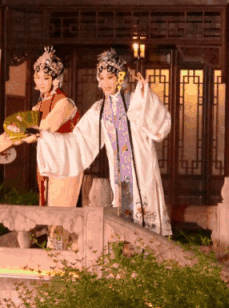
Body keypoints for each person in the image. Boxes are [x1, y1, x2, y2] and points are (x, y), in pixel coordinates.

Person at [35, 49, 172, 236]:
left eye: (110, 77)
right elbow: (78, 141)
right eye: (101, 78)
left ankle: (149, 247)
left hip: (142, 168)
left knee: (146, 211)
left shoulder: (135, 101)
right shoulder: (99, 110)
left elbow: (159, 126)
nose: (105, 83)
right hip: (118, 173)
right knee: (123, 210)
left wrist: (147, 95)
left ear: (120, 77)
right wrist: (46, 137)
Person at [0, 46, 83, 249]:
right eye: (38, 77)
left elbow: (46, 126)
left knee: (60, 213)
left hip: (66, 163)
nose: (40, 82)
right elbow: (25, 131)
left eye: (45, 78)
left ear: (56, 80)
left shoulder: (65, 104)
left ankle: (59, 255)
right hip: (48, 162)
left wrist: (24, 127)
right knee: (49, 210)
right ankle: (56, 254)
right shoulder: (39, 106)